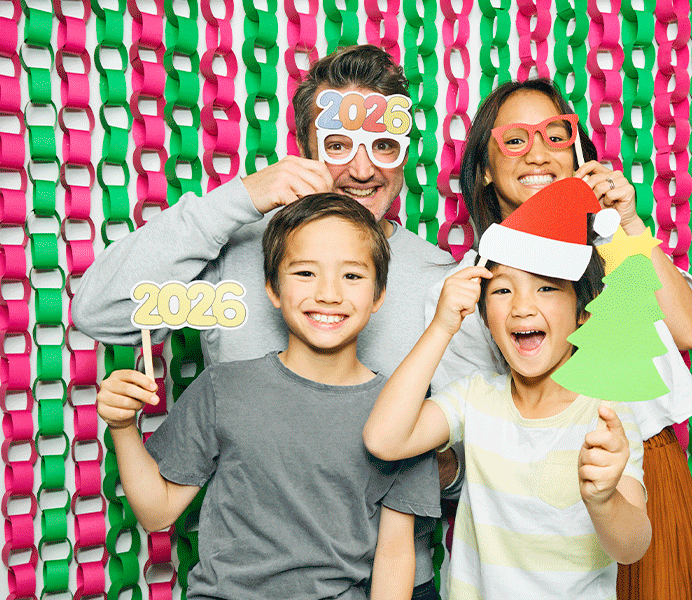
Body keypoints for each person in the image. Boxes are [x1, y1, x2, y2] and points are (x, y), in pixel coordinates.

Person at [73, 45, 458, 599]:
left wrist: (441, 461)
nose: (362, 168)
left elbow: (472, 444)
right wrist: (241, 199)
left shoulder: (439, 280)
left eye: (382, 145)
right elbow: (97, 310)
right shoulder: (239, 251)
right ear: (303, 150)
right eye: (337, 144)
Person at [433, 78, 692, 599]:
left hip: (644, 468)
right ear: (485, 169)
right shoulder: (472, 285)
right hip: (538, 493)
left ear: (578, 152)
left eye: (555, 136)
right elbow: (469, 421)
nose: (538, 152)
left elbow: (687, 331)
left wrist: (625, 221)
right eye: (515, 139)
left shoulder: (611, 243)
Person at [96, 194, 439, 599]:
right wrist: (121, 427)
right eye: (305, 273)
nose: (329, 293)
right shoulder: (222, 388)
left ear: (379, 294)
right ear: (272, 289)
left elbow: (396, 556)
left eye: (352, 276)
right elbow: (157, 512)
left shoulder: (404, 414)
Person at [363, 179, 651, 598]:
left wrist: (604, 498)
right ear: (483, 317)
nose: (522, 306)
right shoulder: (473, 398)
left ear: (584, 312)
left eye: (547, 288)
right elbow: (384, 439)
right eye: (502, 289)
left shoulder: (606, 416)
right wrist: (442, 325)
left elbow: (632, 547)